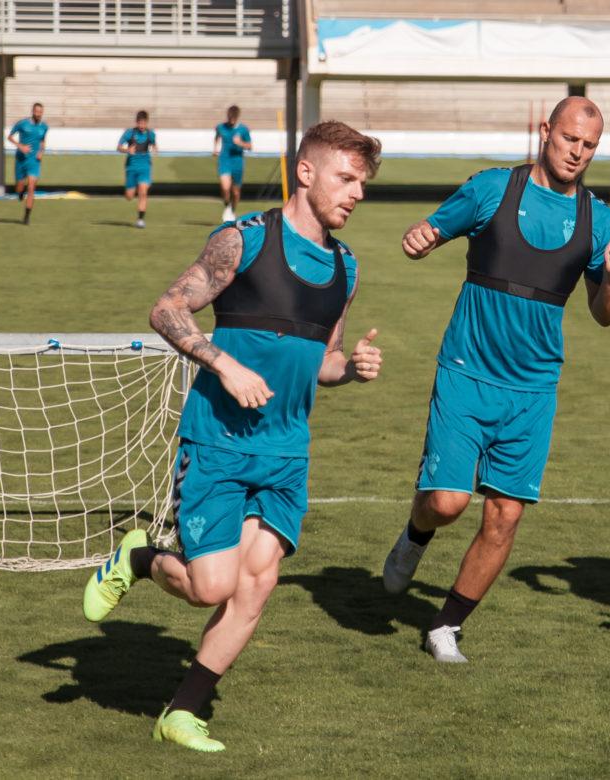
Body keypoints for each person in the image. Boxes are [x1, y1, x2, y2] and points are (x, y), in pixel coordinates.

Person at [81, 120, 384, 752]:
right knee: (210, 586)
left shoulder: (344, 267)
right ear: (306, 172)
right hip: (217, 440)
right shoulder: (243, 242)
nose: (356, 193)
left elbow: (322, 359)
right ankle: (139, 557)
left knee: (259, 582)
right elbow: (167, 309)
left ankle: (183, 711)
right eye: (346, 178)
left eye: (362, 183)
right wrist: (223, 361)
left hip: (286, 452)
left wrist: (348, 369)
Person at [379, 97, 610, 664]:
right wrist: (419, 237)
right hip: (468, 370)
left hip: (534, 387)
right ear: (546, 132)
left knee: (506, 513)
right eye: (570, 139)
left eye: (590, 145)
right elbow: (426, 233)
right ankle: (414, 536)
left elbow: (606, 313)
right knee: (446, 503)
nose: (578, 152)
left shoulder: (600, 220)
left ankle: (447, 625)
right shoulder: (493, 189)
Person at [8, 102, 48, 226]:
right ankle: (20, 192)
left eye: (40, 112)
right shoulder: (22, 124)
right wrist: (20, 146)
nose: (38, 114)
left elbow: (42, 141)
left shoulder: (44, 127)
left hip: (34, 162)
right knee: (20, 187)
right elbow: (10, 137)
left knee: (31, 187)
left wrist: (41, 151)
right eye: (36, 111)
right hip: (21, 160)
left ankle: (26, 217)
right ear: (32, 111)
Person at [118, 111, 158, 229]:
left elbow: (154, 144)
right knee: (129, 196)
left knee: (143, 192)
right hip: (131, 167)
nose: (142, 126)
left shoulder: (151, 134)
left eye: (144, 123)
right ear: (136, 122)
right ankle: (130, 190)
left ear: (147, 123)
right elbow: (118, 147)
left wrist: (155, 148)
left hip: (145, 166)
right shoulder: (129, 133)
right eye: (140, 123)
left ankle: (140, 220)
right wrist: (127, 150)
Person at [214, 105, 253, 222]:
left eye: (233, 117)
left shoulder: (243, 129)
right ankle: (227, 207)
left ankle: (232, 210)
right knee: (225, 187)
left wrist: (240, 143)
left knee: (235, 192)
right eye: (229, 117)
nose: (231, 119)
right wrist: (215, 148)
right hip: (224, 159)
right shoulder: (221, 127)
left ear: (237, 117)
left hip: (237, 161)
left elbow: (250, 146)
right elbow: (217, 137)